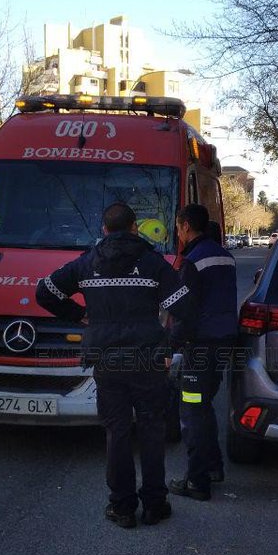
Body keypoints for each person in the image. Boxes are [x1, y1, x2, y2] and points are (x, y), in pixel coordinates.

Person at [36, 202, 196, 529]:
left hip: (107, 360)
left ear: (105, 230)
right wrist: (169, 344)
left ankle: (122, 507)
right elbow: (185, 308)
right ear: (135, 228)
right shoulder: (153, 263)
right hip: (148, 360)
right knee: (151, 430)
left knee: (117, 432)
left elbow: (44, 292)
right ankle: (154, 504)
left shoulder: (87, 262)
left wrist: (79, 314)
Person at [168, 203, 238, 502]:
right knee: (204, 406)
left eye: (177, 227)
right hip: (222, 344)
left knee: (192, 412)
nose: (177, 232)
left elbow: (186, 312)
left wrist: (169, 346)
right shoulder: (225, 256)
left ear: (185, 226)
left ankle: (197, 482)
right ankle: (212, 467)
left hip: (200, 348)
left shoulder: (193, 261)